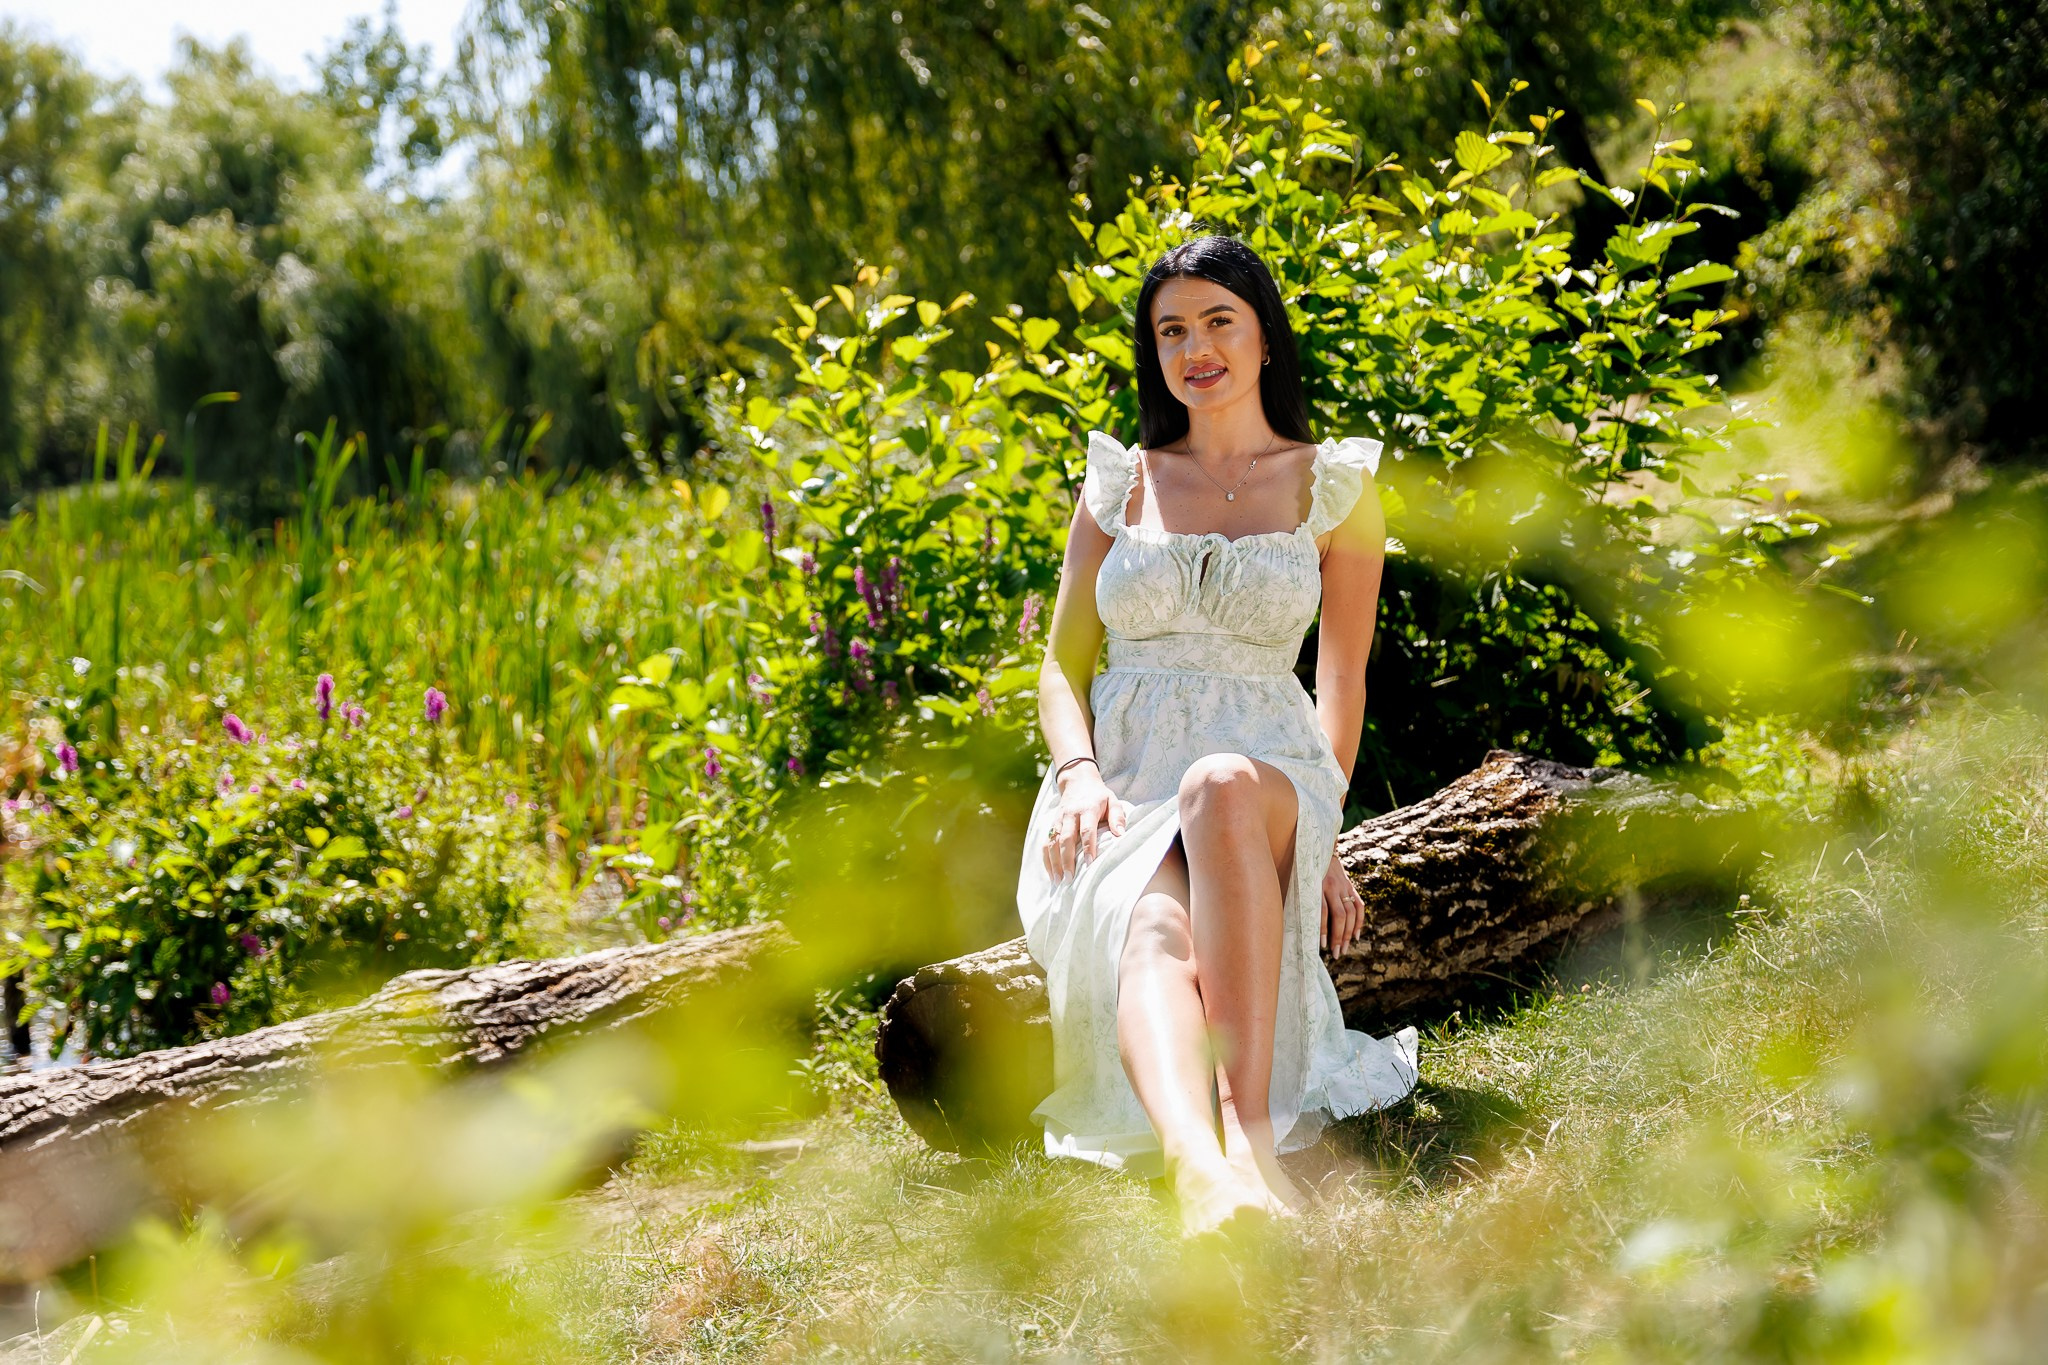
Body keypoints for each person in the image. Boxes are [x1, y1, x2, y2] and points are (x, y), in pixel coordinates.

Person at [1016, 234, 1419, 1236]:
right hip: (1122, 784)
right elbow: (1059, 670)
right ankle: (1201, 1174)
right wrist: (1074, 777)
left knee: (1223, 782)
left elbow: (1339, 678)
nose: (1194, 348)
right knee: (1149, 927)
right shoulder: (1119, 486)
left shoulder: (1334, 487)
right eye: (1170, 331)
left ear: (1264, 337)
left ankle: (1251, 1141)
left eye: (1217, 322)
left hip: (1266, 779)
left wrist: (1322, 836)